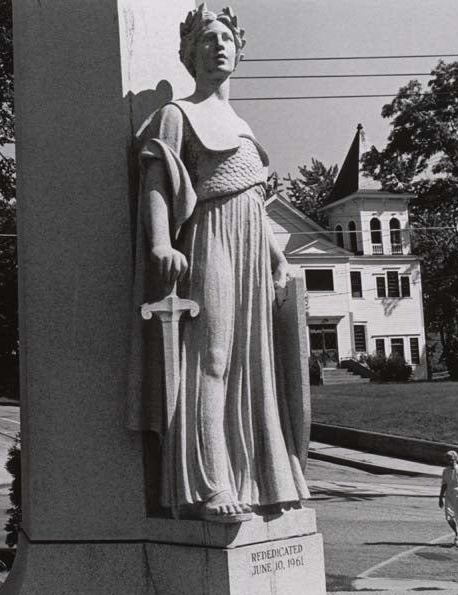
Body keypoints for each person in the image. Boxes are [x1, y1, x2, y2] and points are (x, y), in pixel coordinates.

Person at [127, 4, 309, 523]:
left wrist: (278, 258)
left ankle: (262, 477)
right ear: (189, 53)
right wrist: (162, 242)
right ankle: (210, 484)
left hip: (253, 244)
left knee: (257, 366)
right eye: (207, 39)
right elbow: (157, 185)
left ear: (239, 50)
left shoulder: (244, 125)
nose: (219, 46)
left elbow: (254, 198)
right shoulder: (177, 114)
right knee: (213, 358)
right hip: (211, 239)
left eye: (227, 37)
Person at [438, 450, 458, 547]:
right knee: (449, 518)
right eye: (448, 460)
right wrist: (440, 498)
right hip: (449, 495)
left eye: (452, 459)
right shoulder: (445, 471)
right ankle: (456, 533)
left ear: (456, 459)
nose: (450, 461)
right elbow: (444, 485)